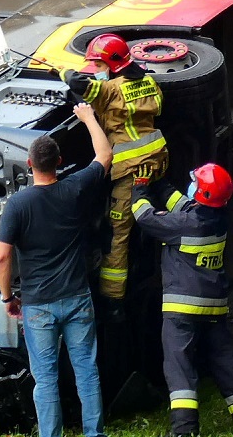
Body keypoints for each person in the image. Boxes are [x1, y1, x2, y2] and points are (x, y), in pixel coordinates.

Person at [0, 102, 113, 437]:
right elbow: (105, 155)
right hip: (77, 299)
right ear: (59, 162)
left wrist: (8, 297)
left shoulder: (18, 204)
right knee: (87, 372)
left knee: (45, 379)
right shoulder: (75, 190)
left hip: (39, 304)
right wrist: (88, 117)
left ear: (30, 165)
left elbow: (2, 256)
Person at [133, 162, 233, 437]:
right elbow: (184, 204)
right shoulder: (218, 217)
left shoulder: (184, 224)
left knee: (179, 367)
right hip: (214, 306)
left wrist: (139, 189)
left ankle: (184, 430)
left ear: (201, 194)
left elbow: (144, 217)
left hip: (182, 310)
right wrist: (160, 183)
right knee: (226, 363)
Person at [63, 33, 167, 301]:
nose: (95, 71)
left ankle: (113, 301)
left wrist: (61, 70)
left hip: (129, 172)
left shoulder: (109, 90)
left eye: (98, 65)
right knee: (150, 218)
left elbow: (76, 82)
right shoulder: (149, 82)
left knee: (117, 235)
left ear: (111, 64)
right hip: (157, 162)